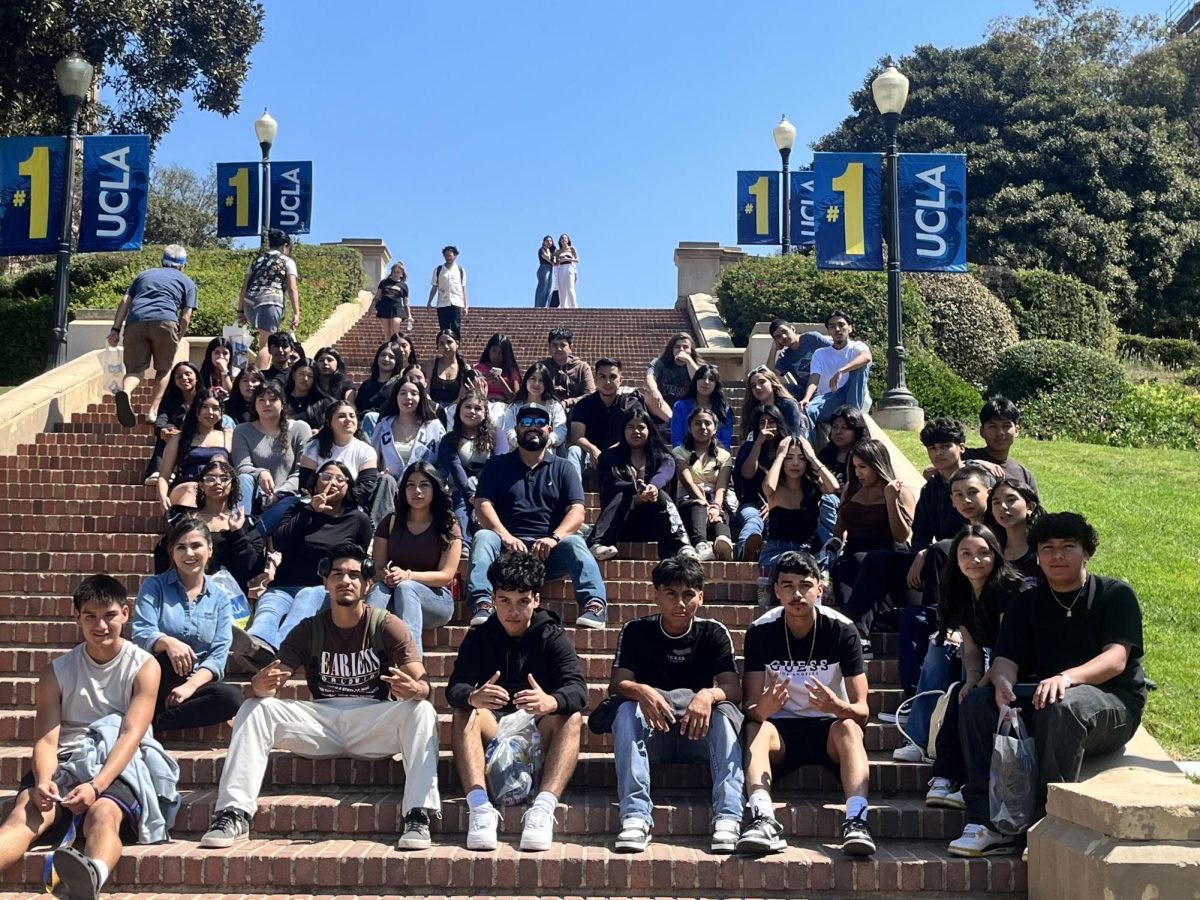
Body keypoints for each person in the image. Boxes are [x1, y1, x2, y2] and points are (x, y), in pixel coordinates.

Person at [200, 543, 441, 851]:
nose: (345, 580)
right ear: (326, 583)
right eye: (337, 573)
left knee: (421, 710)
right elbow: (272, 683)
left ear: (368, 584)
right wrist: (259, 686)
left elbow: (424, 684)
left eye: (354, 574)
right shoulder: (308, 629)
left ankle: (419, 815)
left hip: (372, 720)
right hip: (321, 722)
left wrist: (415, 690)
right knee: (254, 707)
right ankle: (233, 813)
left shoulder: (386, 624)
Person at [949, 513, 1146, 857]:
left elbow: (1115, 658)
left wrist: (1067, 678)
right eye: (1048, 548)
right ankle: (986, 820)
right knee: (977, 703)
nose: (1057, 556)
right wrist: (1002, 683)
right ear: (1037, 555)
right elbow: (1005, 659)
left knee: (1066, 705)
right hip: (1042, 700)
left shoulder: (1115, 594)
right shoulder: (1025, 603)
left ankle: (1044, 823)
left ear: (1086, 553)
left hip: (1111, 704)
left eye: (1068, 547)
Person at [0, 575, 165, 900]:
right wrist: (45, 779)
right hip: (63, 762)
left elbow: (132, 734)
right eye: (90, 616)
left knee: (103, 815)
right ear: (77, 617)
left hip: (117, 765)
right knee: (25, 812)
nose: (100, 625)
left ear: (125, 614)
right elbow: (47, 739)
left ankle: (91, 878)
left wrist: (95, 786)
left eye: (109, 615)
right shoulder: (56, 671)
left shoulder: (144, 666)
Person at [737, 551, 876, 857]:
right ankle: (762, 817)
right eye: (787, 585)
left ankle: (856, 820)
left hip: (829, 728)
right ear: (776, 591)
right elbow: (749, 709)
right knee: (756, 729)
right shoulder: (761, 630)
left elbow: (863, 711)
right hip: (782, 728)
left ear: (820, 589)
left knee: (850, 728)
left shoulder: (841, 629)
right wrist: (766, 707)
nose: (796, 594)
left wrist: (838, 705)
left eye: (805, 585)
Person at [446, 551, 587, 852]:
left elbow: (578, 690)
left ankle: (543, 809)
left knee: (571, 717)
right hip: (494, 729)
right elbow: (454, 688)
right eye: (505, 600)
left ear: (536, 599)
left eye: (522, 600)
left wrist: (552, 701)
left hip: (536, 728)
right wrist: (474, 695)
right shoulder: (479, 637)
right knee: (464, 712)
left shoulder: (552, 636)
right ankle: (479, 808)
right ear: (493, 598)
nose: (513, 610)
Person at [609, 555, 743, 853]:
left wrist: (708, 694)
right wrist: (641, 689)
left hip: (699, 736)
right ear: (656, 594)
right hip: (652, 735)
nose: (679, 603)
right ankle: (634, 816)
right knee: (625, 709)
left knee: (724, 714)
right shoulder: (636, 631)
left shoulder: (713, 632)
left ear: (700, 597)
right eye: (670, 593)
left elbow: (734, 689)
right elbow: (616, 685)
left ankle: (729, 816)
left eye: (687, 595)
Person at [844, 418, 969, 693]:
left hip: (968, 563)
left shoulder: (974, 482)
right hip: (934, 560)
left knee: (937, 551)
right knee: (878, 559)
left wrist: (926, 551)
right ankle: (858, 634)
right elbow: (921, 532)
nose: (938, 453)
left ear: (961, 448)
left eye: (945, 446)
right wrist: (919, 553)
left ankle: (938, 624)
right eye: (932, 447)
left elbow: (974, 531)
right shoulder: (931, 488)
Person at [467, 401, 608, 629]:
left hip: (548, 556)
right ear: (517, 428)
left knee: (574, 541)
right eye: (527, 422)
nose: (533, 426)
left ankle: (594, 604)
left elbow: (578, 511)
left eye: (540, 422)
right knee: (484, 537)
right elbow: (482, 504)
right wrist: (505, 536)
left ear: (549, 429)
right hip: (506, 553)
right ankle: (482, 603)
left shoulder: (564, 468)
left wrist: (553, 538)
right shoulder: (497, 465)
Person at [917, 525, 1025, 806]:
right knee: (960, 695)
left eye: (983, 553)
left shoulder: (1007, 589)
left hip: (1020, 664)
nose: (974, 560)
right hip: (997, 664)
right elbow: (972, 647)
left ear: (995, 555)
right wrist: (971, 679)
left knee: (975, 700)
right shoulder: (961, 591)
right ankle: (944, 776)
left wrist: (980, 683)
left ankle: (968, 783)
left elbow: (1008, 645)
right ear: (956, 558)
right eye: (966, 553)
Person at [235, 460, 374, 665]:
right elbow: (280, 542)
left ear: (348, 487)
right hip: (284, 584)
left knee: (307, 597)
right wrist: (310, 510)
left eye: (340, 479)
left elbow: (357, 558)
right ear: (315, 482)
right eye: (326, 476)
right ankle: (256, 644)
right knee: (269, 608)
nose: (332, 483)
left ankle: (279, 649)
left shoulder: (358, 520)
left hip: (323, 588)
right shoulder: (296, 509)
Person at [134, 518, 243, 732]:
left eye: (196, 546)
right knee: (166, 658)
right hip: (156, 677)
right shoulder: (154, 586)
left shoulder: (220, 597)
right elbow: (141, 632)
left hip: (195, 682)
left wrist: (189, 687)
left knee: (231, 698)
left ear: (210, 549)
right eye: (181, 547)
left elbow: (219, 654)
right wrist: (167, 642)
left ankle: (152, 725)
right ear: (172, 552)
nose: (189, 554)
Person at [827, 439, 916, 657]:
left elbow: (901, 535)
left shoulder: (899, 490)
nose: (858, 473)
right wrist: (832, 545)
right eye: (855, 467)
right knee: (842, 566)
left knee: (863, 560)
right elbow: (839, 528)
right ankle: (862, 625)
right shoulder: (851, 488)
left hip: (888, 551)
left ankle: (857, 634)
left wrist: (891, 500)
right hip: (853, 550)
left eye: (863, 467)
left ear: (877, 465)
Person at [368, 462, 462, 656]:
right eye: (410, 485)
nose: (416, 491)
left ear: (435, 488)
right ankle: (363, 652)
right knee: (378, 588)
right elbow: (377, 569)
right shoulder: (390, 522)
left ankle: (411, 663)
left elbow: (446, 576)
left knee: (406, 587)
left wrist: (407, 576)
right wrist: (388, 576)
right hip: (393, 595)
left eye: (424, 485)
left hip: (436, 602)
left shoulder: (448, 525)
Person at [107, 244, 197, 428]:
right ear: (182, 265)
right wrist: (178, 337)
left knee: (135, 370)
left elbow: (125, 301)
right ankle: (152, 411)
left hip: (136, 321)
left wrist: (115, 329)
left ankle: (126, 391)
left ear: (161, 261)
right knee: (163, 369)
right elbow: (186, 316)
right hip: (166, 321)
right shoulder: (187, 282)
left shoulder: (143, 275)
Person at [589, 406, 690, 562]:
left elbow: (665, 473)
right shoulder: (609, 457)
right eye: (630, 427)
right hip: (620, 524)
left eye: (641, 427)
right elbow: (613, 483)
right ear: (623, 431)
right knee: (623, 494)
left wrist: (653, 487)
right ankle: (597, 543)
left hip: (655, 525)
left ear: (649, 429)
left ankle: (682, 545)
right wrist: (636, 489)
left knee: (660, 495)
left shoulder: (663, 457)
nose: (636, 431)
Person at [153, 459, 267, 597]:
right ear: (201, 485)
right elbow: (164, 558)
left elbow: (253, 568)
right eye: (210, 478)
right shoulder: (185, 519)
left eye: (224, 478)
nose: (217, 483)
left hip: (230, 603)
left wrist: (237, 533)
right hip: (185, 598)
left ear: (232, 485)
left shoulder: (244, 523)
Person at [758, 435, 840, 586]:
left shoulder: (812, 486)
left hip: (808, 552)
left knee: (811, 571)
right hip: (777, 553)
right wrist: (780, 455)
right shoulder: (776, 487)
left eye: (801, 458)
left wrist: (812, 457)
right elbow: (769, 487)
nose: (795, 463)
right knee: (797, 569)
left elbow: (833, 487)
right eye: (789, 458)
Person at [232, 381, 312, 532]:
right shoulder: (242, 430)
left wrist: (279, 493)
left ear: (282, 404)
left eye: (273, 399)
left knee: (291, 502)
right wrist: (260, 472)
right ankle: (240, 527)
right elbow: (242, 467)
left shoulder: (299, 428)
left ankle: (250, 535)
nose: (267, 403)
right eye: (261, 399)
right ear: (254, 404)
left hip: (288, 494)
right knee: (244, 478)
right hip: (255, 492)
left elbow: (302, 470)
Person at [436, 391, 509, 543]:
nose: (472, 412)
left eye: (478, 408)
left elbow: (498, 463)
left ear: (485, 412)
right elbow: (455, 468)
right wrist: (471, 495)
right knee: (460, 504)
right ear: (459, 410)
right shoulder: (449, 439)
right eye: (467, 407)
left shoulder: (497, 435)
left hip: (490, 489)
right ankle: (463, 542)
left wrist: (481, 494)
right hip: (461, 491)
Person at [301, 401, 384, 519]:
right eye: (341, 416)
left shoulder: (367, 451)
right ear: (329, 423)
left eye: (352, 416)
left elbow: (365, 489)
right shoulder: (313, 448)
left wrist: (337, 500)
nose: (348, 419)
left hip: (351, 507)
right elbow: (305, 485)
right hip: (316, 503)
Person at [156, 388, 232, 512]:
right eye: (205, 407)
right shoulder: (178, 439)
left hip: (216, 490)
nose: (210, 412)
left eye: (215, 408)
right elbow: (164, 476)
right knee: (193, 488)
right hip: (186, 487)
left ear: (221, 413)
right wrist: (163, 497)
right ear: (196, 411)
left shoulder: (228, 437)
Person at [673, 408, 734, 561]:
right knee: (698, 505)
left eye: (708, 423)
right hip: (688, 500)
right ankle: (701, 544)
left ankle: (723, 540)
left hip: (714, 499)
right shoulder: (679, 452)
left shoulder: (724, 455)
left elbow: (722, 486)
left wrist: (715, 506)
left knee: (720, 512)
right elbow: (687, 482)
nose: (703, 427)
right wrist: (706, 506)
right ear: (689, 427)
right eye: (697, 423)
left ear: (715, 428)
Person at [566, 357, 640, 482]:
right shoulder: (584, 404)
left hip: (620, 451)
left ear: (620, 380)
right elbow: (577, 437)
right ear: (595, 380)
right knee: (574, 450)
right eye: (602, 377)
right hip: (590, 454)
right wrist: (593, 450)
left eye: (612, 377)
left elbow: (636, 434)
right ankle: (573, 495)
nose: (608, 382)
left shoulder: (630, 404)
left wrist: (608, 454)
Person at [238, 228, 300, 369]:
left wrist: (240, 310)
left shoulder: (257, 260)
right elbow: (292, 288)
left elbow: (245, 285)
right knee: (266, 343)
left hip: (250, 301)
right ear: (285, 246)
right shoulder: (287, 261)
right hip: (270, 301)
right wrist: (297, 312)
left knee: (263, 339)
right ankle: (262, 377)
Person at [731, 404, 786, 562]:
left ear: (779, 424)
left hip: (781, 503)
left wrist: (774, 504)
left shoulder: (788, 449)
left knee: (774, 522)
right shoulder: (748, 447)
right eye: (762, 422)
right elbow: (747, 474)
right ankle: (744, 549)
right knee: (754, 519)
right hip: (752, 502)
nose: (767, 426)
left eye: (771, 422)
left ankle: (765, 554)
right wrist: (758, 443)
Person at [799, 310, 873, 423]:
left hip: (853, 397)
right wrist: (806, 398)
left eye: (841, 325)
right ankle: (805, 441)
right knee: (806, 412)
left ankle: (852, 416)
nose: (837, 329)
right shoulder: (820, 353)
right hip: (828, 399)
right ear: (828, 331)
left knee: (860, 366)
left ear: (850, 328)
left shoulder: (857, 347)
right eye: (832, 327)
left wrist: (841, 371)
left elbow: (866, 357)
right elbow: (814, 378)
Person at [371, 377, 446, 482]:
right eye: (403, 393)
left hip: (424, 490)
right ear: (395, 396)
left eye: (414, 393)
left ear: (421, 397)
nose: (408, 397)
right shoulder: (384, 426)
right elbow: (371, 462)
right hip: (389, 489)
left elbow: (444, 465)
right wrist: (379, 475)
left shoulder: (434, 427)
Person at [963, 396, 1039, 493]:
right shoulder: (965, 457)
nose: (1000, 433)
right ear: (982, 431)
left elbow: (1034, 507)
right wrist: (977, 463)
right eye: (993, 426)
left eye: (1006, 426)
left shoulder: (1024, 475)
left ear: (1016, 430)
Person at [144, 361, 200, 485]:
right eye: (179, 376)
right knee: (167, 428)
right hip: (174, 439)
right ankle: (159, 471)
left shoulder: (204, 399)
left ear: (196, 376)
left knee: (175, 434)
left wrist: (182, 433)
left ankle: (168, 471)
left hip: (198, 438)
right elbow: (161, 420)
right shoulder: (170, 400)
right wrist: (162, 431)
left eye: (188, 374)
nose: (184, 378)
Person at [985, 478, 1044, 582]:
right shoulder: (990, 549)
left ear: (1030, 507)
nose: (1003, 507)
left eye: (1011, 500)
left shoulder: (1042, 548)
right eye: (996, 502)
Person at [500, 362, 568, 451]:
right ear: (526, 381)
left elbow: (560, 431)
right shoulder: (514, 407)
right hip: (517, 451)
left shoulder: (554, 406)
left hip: (546, 450)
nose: (536, 384)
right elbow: (509, 429)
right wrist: (522, 444)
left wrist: (547, 442)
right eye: (533, 378)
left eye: (541, 380)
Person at [643, 332, 702, 425]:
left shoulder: (695, 366)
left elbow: (700, 382)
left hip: (687, 410)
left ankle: (678, 424)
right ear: (672, 349)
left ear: (691, 350)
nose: (681, 350)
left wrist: (688, 360)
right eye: (677, 347)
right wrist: (655, 391)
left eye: (685, 347)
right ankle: (675, 423)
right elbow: (649, 378)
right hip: (663, 410)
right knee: (649, 393)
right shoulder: (660, 363)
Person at [670, 364, 733, 450]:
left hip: (715, 457)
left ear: (716, 384)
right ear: (696, 380)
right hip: (685, 456)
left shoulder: (724, 410)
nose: (706, 382)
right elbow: (676, 440)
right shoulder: (680, 407)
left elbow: (725, 442)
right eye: (702, 378)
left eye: (711, 379)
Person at [769, 317, 832, 400]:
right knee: (773, 389)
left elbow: (835, 350)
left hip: (828, 385)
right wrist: (773, 349)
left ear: (792, 329)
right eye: (778, 337)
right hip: (805, 391)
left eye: (785, 332)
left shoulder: (812, 338)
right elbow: (770, 375)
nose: (783, 337)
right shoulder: (785, 357)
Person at [742, 366, 806, 440]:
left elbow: (794, 435)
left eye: (762, 382)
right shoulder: (751, 410)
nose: (758, 387)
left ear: (773, 385)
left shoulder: (788, 406)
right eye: (753, 386)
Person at [539, 327, 595, 411]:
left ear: (570, 347)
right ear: (549, 348)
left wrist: (567, 403)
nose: (559, 349)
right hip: (547, 409)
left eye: (563, 345)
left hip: (576, 411)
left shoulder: (582, 367)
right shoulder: (541, 367)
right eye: (554, 345)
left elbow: (590, 395)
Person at [816, 405, 868, 488]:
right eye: (834, 427)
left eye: (844, 428)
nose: (838, 432)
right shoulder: (826, 452)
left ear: (856, 431)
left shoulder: (862, 457)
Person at [426, 245, 468, 336]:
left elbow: (463, 289)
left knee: (455, 327)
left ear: (455, 256)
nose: (448, 258)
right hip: (442, 303)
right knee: (443, 328)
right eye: (446, 255)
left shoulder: (460, 270)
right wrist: (429, 301)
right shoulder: (438, 270)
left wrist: (465, 305)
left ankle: (456, 347)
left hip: (456, 303)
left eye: (450, 255)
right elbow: (434, 287)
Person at [424, 329, 467, 408]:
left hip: (455, 408)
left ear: (457, 344)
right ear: (437, 347)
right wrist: (434, 407)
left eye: (449, 342)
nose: (446, 346)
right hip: (432, 406)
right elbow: (426, 390)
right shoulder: (431, 364)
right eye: (441, 344)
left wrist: (449, 409)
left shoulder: (464, 367)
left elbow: (462, 395)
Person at [474, 332, 522, 402]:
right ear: (489, 351)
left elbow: (516, 399)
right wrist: (483, 380)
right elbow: (470, 393)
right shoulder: (478, 369)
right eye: (494, 351)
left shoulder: (511, 372)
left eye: (501, 352)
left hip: (504, 408)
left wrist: (501, 382)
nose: (497, 355)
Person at [374, 260, 412, 342]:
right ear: (391, 272)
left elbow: (406, 302)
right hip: (384, 307)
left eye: (398, 272)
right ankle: (388, 349)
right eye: (394, 272)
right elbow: (377, 296)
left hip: (396, 309)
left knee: (394, 332)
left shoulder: (404, 286)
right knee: (387, 333)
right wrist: (370, 309)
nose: (395, 274)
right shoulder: (384, 282)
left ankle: (395, 348)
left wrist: (409, 315)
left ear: (401, 274)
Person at [284, 359, 325, 429]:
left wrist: (319, 433)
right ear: (293, 375)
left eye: (310, 376)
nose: (305, 379)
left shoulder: (322, 402)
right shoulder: (281, 399)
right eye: (301, 374)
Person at [199, 337, 236, 402]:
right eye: (217, 353)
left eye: (225, 353)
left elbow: (231, 394)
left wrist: (224, 370)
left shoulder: (237, 373)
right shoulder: (200, 373)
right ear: (210, 355)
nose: (221, 356)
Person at [553, 234, 579, 308]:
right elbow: (556, 263)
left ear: (568, 240)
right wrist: (558, 260)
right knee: (562, 288)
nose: (564, 240)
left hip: (569, 267)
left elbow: (577, 260)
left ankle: (573, 306)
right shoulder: (558, 251)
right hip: (561, 268)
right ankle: (563, 306)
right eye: (562, 238)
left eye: (565, 238)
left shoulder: (572, 249)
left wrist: (568, 259)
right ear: (560, 241)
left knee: (570, 287)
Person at [534, 235, 555, 308]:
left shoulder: (552, 251)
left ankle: (545, 306)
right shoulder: (542, 249)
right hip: (544, 268)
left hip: (551, 269)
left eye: (550, 241)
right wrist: (553, 262)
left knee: (549, 288)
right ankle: (538, 306)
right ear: (544, 242)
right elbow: (545, 257)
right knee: (543, 287)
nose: (549, 242)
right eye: (547, 241)